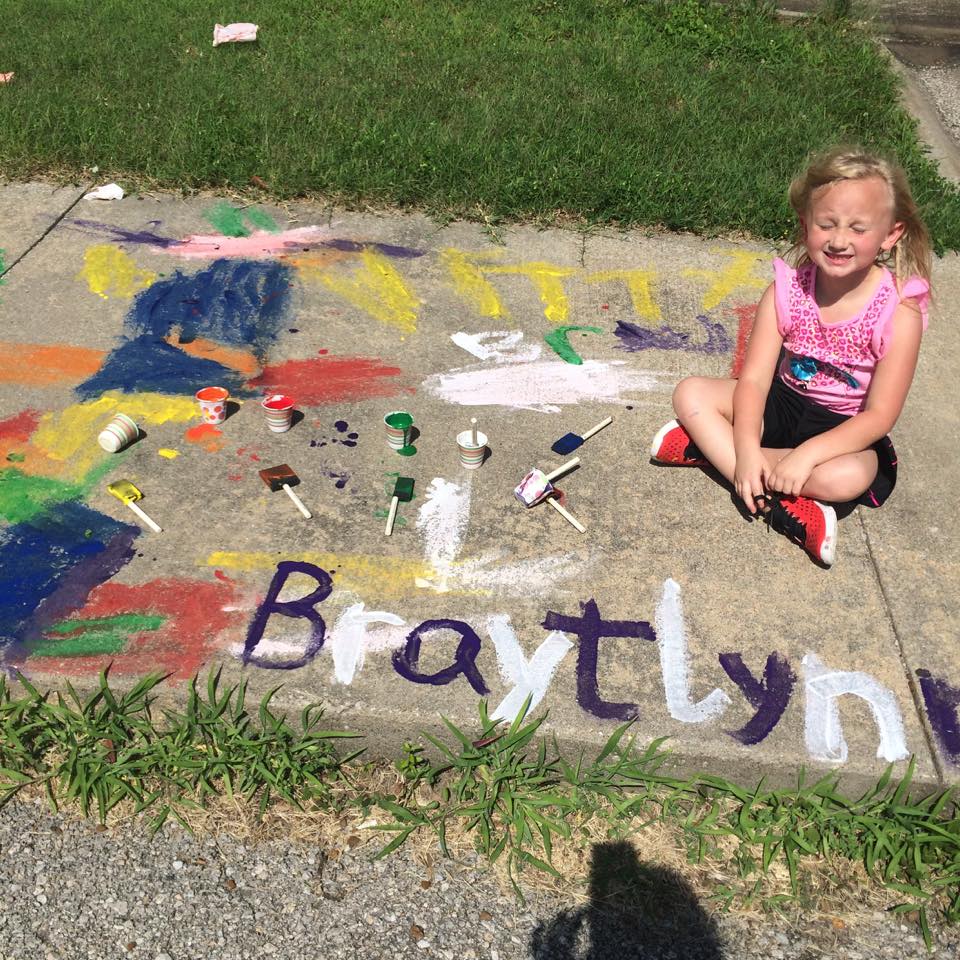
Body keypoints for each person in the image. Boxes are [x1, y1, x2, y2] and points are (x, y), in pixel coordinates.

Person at [650, 146, 932, 566]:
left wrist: (807, 456)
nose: (839, 240)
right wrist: (747, 448)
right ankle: (781, 502)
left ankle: (711, 452)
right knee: (690, 392)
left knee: (850, 476)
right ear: (805, 225)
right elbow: (754, 380)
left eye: (858, 228)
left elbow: (878, 417)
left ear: (891, 235)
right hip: (781, 403)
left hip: (843, 428)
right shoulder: (787, 291)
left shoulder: (900, 312)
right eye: (826, 224)